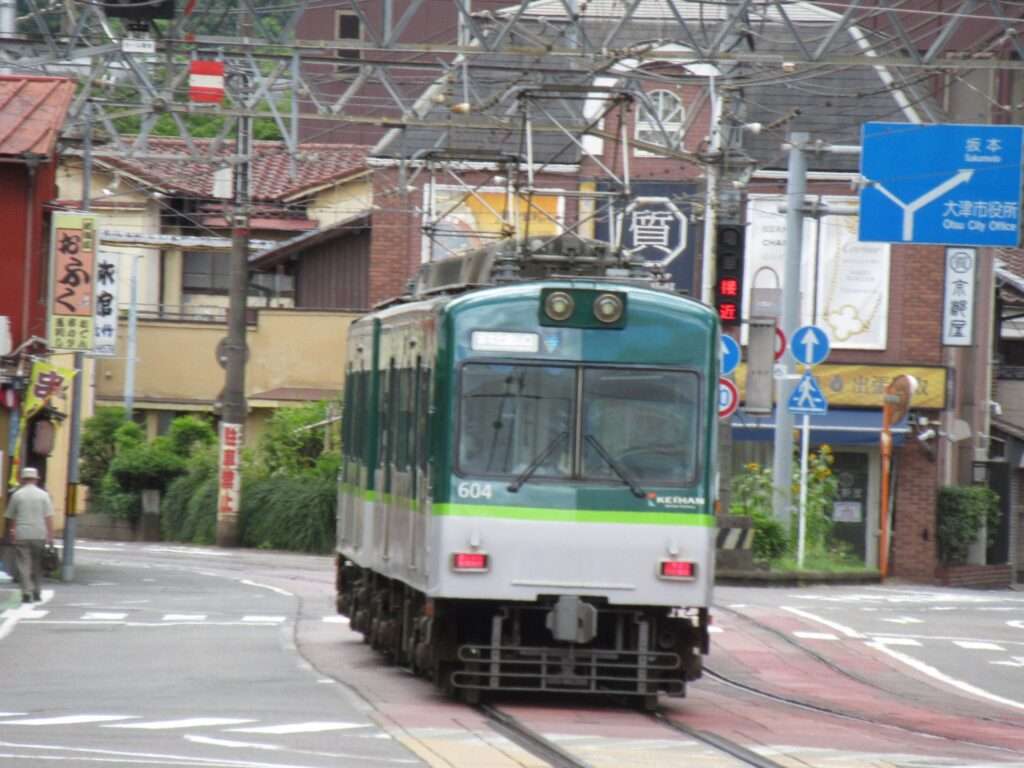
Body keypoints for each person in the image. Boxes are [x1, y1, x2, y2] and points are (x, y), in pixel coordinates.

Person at [4, 467, 54, 604]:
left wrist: (12, 532)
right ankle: (37, 592)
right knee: (38, 564)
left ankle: (26, 592)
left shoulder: (17, 495)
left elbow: (11, 517)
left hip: (22, 534)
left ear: (23, 479)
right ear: (36, 479)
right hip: (39, 534)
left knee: (23, 564)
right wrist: (50, 535)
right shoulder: (43, 495)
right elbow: (48, 517)